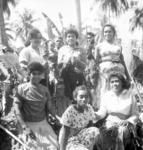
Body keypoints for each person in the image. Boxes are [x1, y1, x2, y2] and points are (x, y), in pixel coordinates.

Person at [14, 62, 59, 150]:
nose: (36, 76)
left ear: (42, 75)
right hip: (28, 125)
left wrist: (58, 118)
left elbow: (50, 108)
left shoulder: (45, 90)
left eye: (39, 74)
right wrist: (24, 127)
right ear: (29, 74)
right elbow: (17, 110)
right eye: (34, 74)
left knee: (53, 147)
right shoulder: (21, 89)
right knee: (32, 147)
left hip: (43, 124)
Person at [95, 71, 139, 150]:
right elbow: (102, 112)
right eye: (112, 82)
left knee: (122, 132)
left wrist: (128, 121)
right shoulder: (107, 95)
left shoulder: (130, 95)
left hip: (125, 123)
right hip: (110, 123)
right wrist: (94, 114)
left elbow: (135, 114)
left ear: (122, 82)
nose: (114, 84)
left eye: (117, 81)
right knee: (104, 136)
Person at [94, 24, 130, 105]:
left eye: (110, 31)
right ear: (103, 33)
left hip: (119, 70)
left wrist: (128, 76)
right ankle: (106, 110)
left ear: (113, 33)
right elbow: (95, 62)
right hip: (105, 72)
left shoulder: (118, 46)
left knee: (118, 88)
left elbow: (122, 61)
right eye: (105, 32)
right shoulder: (99, 46)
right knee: (106, 89)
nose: (107, 33)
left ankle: (119, 109)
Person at [59, 85, 101, 150]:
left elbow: (90, 126)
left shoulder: (89, 108)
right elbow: (65, 134)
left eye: (86, 97)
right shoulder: (70, 111)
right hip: (70, 140)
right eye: (81, 97)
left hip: (81, 136)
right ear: (75, 98)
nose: (84, 99)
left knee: (95, 130)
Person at [58, 28, 85, 99]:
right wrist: (66, 61)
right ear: (66, 39)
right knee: (67, 96)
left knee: (78, 95)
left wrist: (77, 61)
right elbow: (58, 64)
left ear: (76, 38)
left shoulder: (81, 50)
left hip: (78, 75)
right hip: (65, 75)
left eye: (73, 36)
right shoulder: (62, 49)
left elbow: (85, 65)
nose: (71, 38)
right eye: (68, 36)